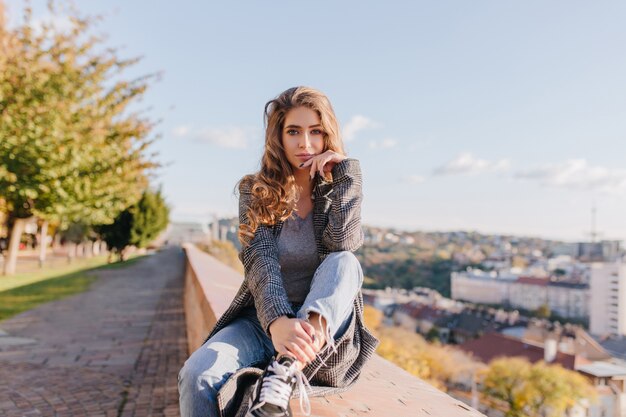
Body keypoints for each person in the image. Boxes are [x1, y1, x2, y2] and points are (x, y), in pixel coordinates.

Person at [178, 86, 379, 417]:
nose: (305, 143)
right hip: (264, 320)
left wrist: (345, 175)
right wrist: (277, 322)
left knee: (346, 261)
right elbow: (261, 261)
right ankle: (282, 365)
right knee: (197, 374)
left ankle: (286, 366)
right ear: (278, 137)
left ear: (328, 136)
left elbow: (341, 245)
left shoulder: (334, 191)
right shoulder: (254, 189)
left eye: (316, 132)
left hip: (321, 333)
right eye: (294, 131)